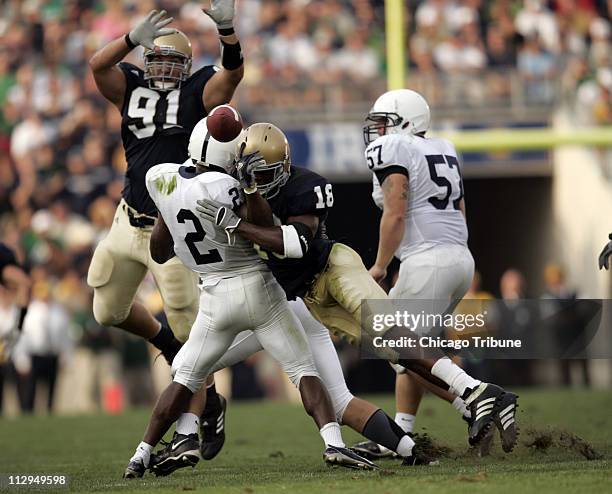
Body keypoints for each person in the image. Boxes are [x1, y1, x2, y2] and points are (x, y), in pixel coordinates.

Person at [197, 123, 519, 455]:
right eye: (256, 176)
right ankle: (471, 403)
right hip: (309, 297)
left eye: (269, 174)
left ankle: (478, 391)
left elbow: (294, 244)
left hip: (333, 268)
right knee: (398, 356)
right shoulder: (241, 192)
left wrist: (238, 225)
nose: (263, 182)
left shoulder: (305, 185)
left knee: (393, 333)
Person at [123, 117, 375, 478]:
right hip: (260, 290)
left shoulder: (164, 181)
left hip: (214, 297)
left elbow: (160, 254)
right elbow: (270, 231)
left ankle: (142, 453)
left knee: (184, 376)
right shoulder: (230, 186)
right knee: (303, 370)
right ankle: (333, 444)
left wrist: (167, 209)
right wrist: (252, 189)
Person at [87, 1, 243, 455]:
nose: (162, 67)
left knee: (189, 325)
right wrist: (130, 38)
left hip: (169, 226)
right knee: (107, 310)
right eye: (154, 58)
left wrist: (228, 30)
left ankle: (203, 410)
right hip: (126, 217)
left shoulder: (197, 92)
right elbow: (98, 65)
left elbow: (231, 75)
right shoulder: (129, 85)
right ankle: (164, 343)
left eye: (172, 61)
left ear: (187, 66)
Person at [355, 89, 490, 457]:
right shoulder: (443, 147)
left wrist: (381, 266)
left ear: (404, 122)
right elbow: (459, 208)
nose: (377, 132)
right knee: (412, 351)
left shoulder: (398, 150)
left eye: (383, 123)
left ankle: (475, 401)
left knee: (397, 344)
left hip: (428, 260)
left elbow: (395, 212)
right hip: (458, 257)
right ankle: (402, 434)